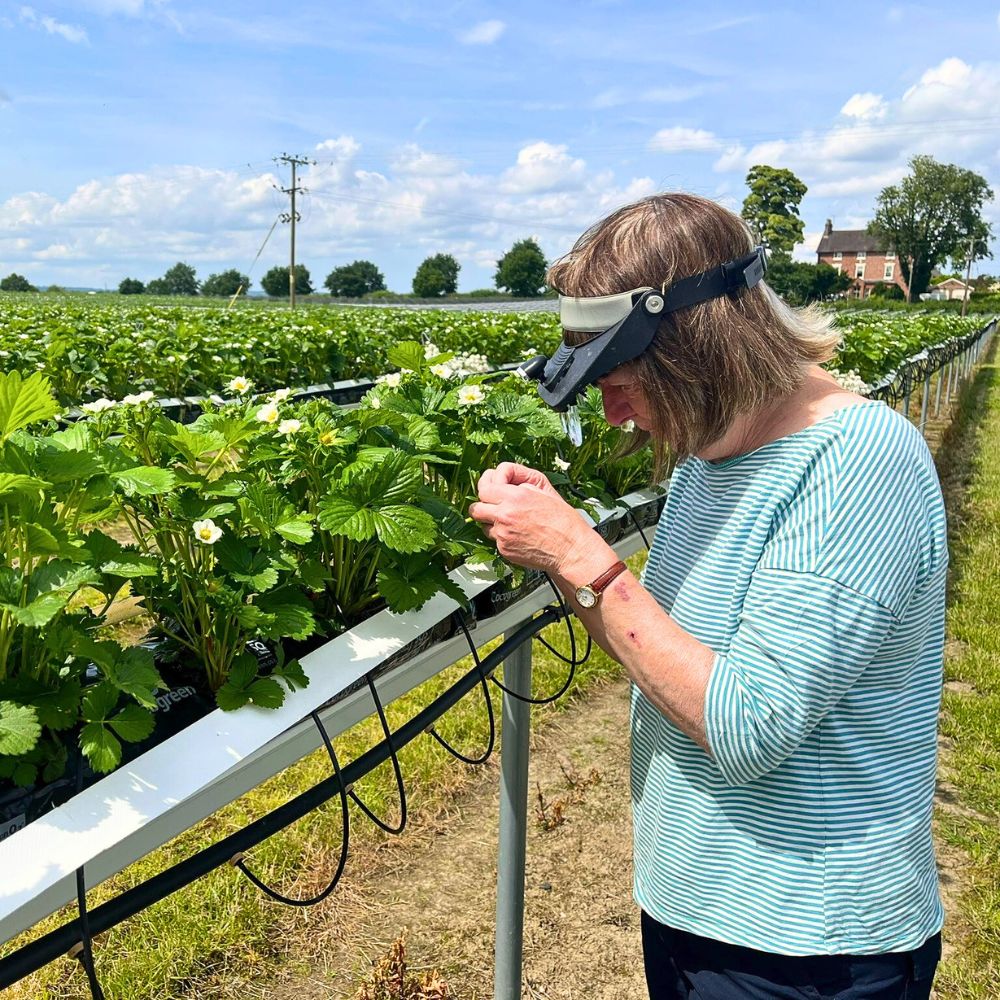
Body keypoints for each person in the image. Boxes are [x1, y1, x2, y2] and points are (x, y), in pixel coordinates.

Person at [469, 193, 946, 1000]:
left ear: (695, 351)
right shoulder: (710, 462)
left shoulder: (854, 464)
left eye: (620, 381)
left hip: (805, 945)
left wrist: (581, 553)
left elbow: (747, 724)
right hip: (701, 908)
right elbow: (663, 653)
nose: (614, 415)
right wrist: (562, 554)